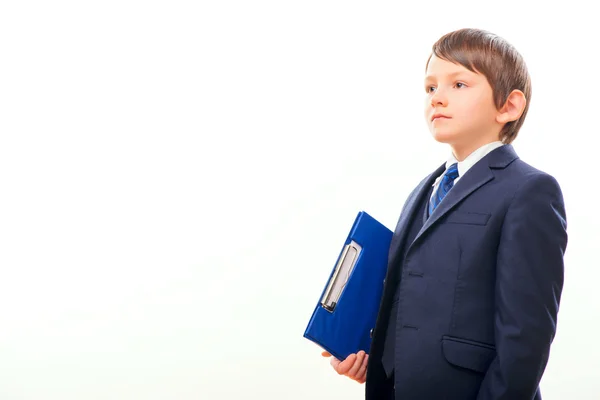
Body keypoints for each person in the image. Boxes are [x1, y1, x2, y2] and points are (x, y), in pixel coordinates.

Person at [321, 28, 568, 399]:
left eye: (459, 85)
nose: (437, 99)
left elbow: (525, 342)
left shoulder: (529, 191)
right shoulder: (423, 190)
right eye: (430, 88)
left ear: (509, 106)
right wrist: (378, 360)